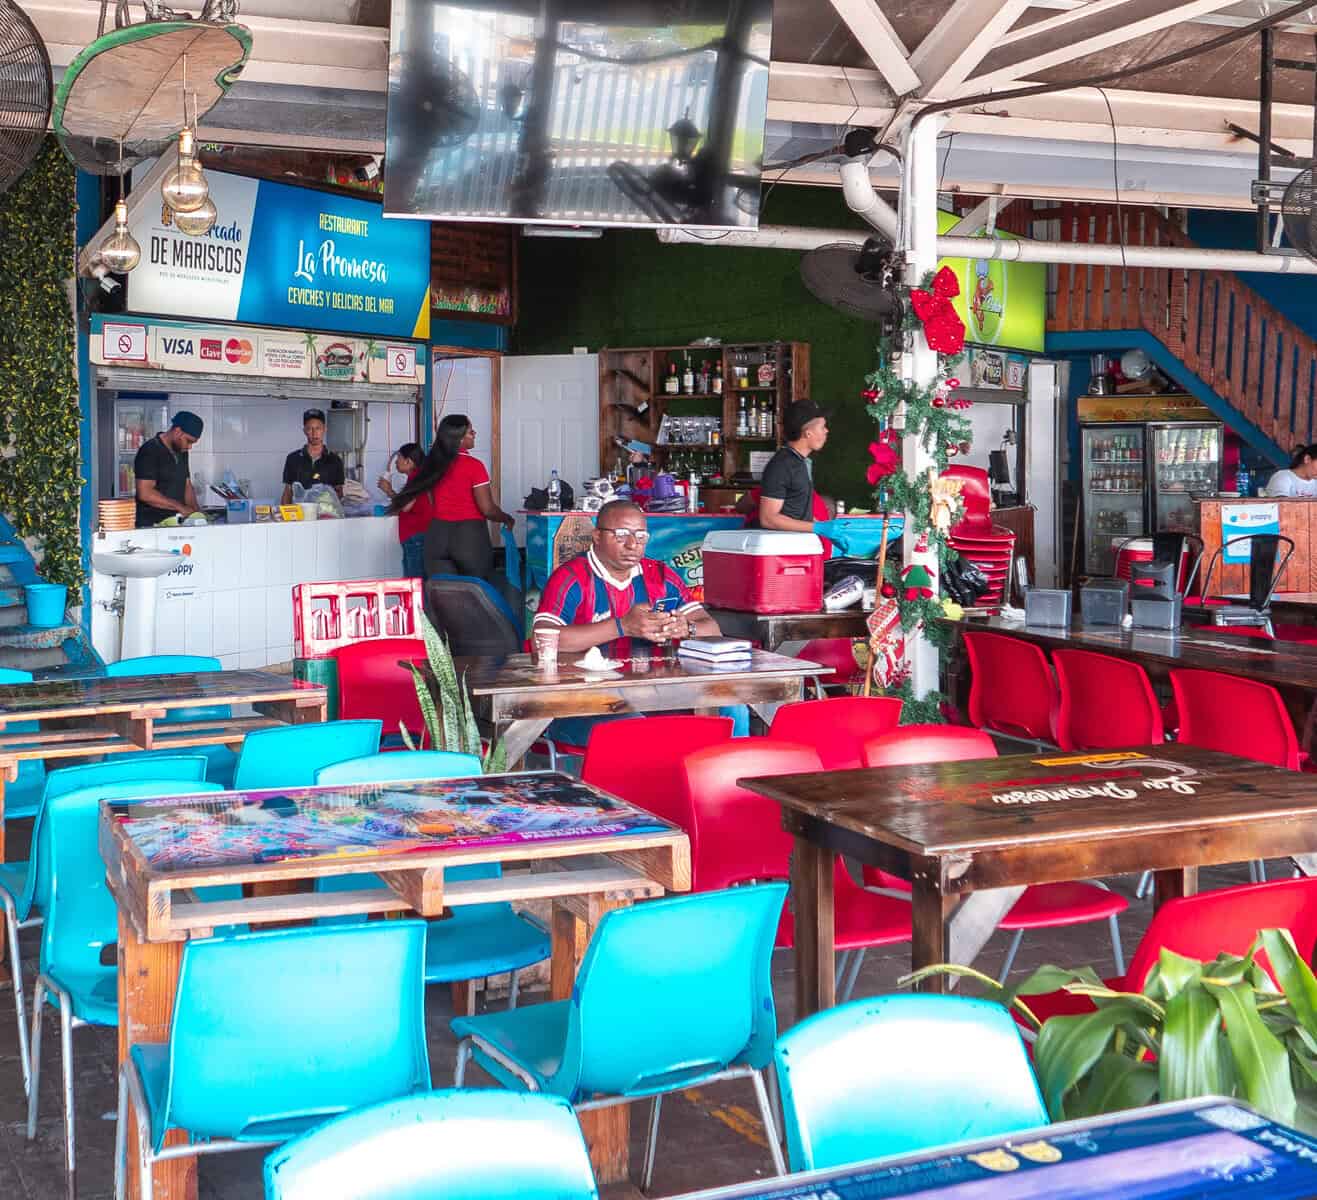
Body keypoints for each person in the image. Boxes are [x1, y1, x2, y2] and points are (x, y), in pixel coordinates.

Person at [389, 414, 515, 580]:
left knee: (442, 595)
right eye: (471, 431)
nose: (474, 433)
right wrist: (506, 518)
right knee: (474, 594)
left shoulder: (432, 465)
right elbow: (487, 509)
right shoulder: (474, 466)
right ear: (459, 438)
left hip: (437, 536)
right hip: (469, 538)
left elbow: (432, 501)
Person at [757, 401, 831, 533]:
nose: (826, 431)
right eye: (822, 427)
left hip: (798, 545)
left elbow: (795, 513)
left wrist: (824, 527)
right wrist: (817, 528)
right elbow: (768, 518)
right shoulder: (782, 465)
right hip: (782, 548)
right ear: (808, 433)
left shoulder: (800, 461)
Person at [134, 411, 203, 527]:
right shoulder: (150, 450)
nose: (189, 447)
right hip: (152, 525)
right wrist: (181, 508)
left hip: (176, 523)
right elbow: (145, 493)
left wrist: (196, 513)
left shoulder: (181, 451)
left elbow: (186, 485)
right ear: (177, 431)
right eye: (189, 441)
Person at [378, 442, 428, 577]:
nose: (396, 462)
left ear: (409, 461)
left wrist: (389, 490)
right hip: (417, 537)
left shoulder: (417, 479)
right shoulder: (419, 477)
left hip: (416, 537)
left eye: (399, 457)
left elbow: (405, 506)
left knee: (415, 583)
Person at [281, 408, 346, 506]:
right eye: (310, 428)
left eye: (318, 428)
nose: (314, 433)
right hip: (300, 515)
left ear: (324, 429)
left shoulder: (335, 460)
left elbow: (339, 493)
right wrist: (285, 517)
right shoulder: (292, 459)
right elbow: (288, 492)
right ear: (304, 431)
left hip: (326, 516)